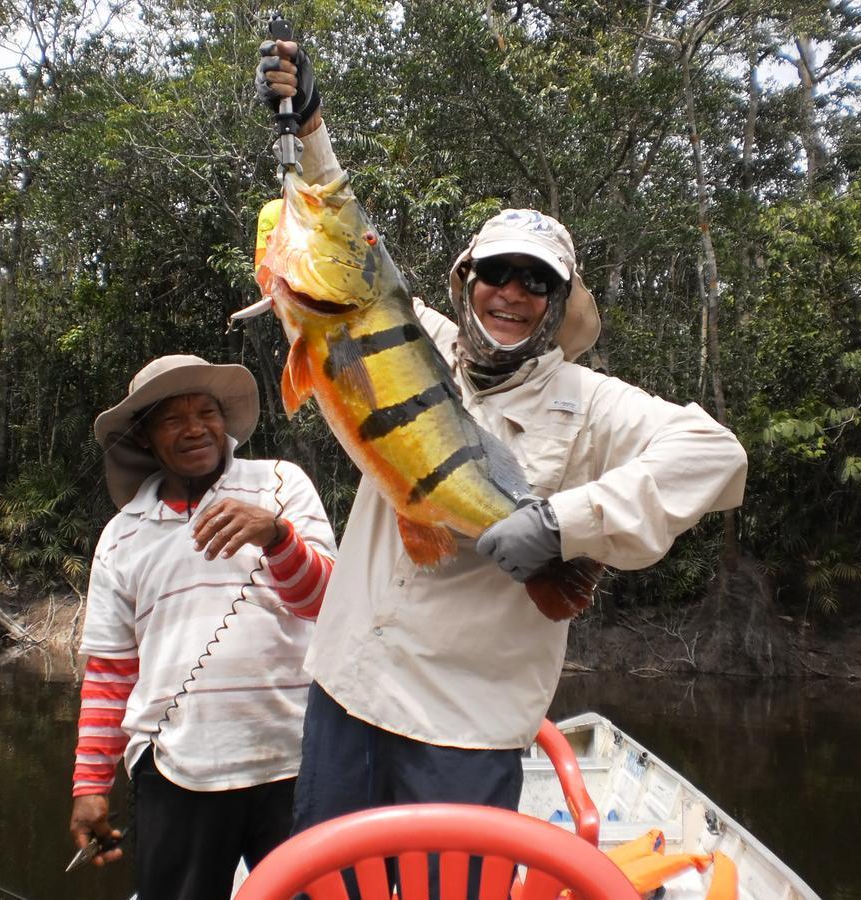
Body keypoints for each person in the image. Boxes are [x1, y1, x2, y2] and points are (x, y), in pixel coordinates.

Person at [255, 42, 749, 835]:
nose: (511, 294)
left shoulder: (591, 404)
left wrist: (561, 525)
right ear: (465, 281)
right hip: (347, 689)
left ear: (557, 304)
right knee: (327, 884)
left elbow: (718, 456)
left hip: (465, 724)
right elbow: (350, 251)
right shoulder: (413, 341)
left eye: (536, 281)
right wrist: (310, 129)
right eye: (497, 273)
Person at [67, 354, 337, 900]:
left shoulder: (282, 483)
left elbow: (327, 604)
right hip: (175, 768)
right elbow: (111, 673)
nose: (195, 428)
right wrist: (90, 787)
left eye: (206, 411)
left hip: (297, 760)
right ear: (145, 437)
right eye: (172, 418)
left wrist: (277, 536)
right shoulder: (122, 534)